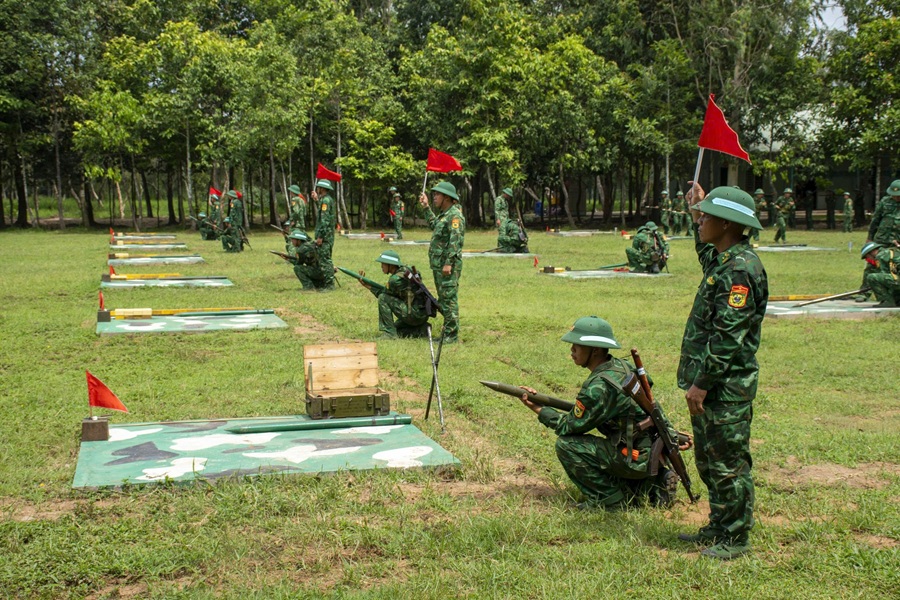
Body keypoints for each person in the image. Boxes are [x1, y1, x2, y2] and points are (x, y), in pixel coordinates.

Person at [677, 184, 768, 560]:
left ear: (727, 224)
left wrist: (702, 383)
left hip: (725, 386)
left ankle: (736, 535)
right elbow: (704, 252)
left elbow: (728, 336)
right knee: (709, 459)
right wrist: (693, 208)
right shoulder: (724, 259)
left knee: (728, 461)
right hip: (713, 384)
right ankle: (719, 524)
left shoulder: (740, 270)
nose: (700, 220)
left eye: (707, 215)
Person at [517, 316, 686, 511]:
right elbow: (651, 403)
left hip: (635, 457)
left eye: (577, 345)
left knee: (567, 445)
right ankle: (653, 487)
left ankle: (610, 500)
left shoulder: (598, 387)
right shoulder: (624, 366)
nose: (572, 350)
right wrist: (673, 434)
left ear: (595, 350)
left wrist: (538, 409)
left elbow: (568, 426)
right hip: (654, 450)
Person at [418, 181, 465, 344]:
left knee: (449, 298)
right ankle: (448, 331)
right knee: (443, 298)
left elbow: (455, 240)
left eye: (437, 194)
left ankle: (452, 335)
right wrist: (426, 207)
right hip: (439, 264)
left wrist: (448, 263)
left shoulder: (455, 216)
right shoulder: (444, 215)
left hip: (447, 265)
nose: (434, 197)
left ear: (447, 197)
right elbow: (434, 225)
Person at [358, 250, 430, 339]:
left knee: (382, 298)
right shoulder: (406, 271)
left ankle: (389, 334)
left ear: (391, 265)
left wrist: (366, 285)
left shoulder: (395, 280)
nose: (381, 266)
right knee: (397, 329)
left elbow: (383, 294)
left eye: (383, 264)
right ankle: (422, 329)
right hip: (422, 314)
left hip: (413, 314)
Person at [310, 179, 337, 289]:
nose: (317, 189)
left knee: (325, 260)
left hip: (325, 236)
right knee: (324, 259)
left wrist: (320, 236)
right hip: (328, 235)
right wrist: (316, 200)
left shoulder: (326, 200)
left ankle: (330, 285)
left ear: (322, 188)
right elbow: (323, 212)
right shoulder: (326, 199)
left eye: (319, 187)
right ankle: (325, 283)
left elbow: (325, 220)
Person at [866, 179, 900, 246]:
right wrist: (870, 237)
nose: (896, 197)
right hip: (882, 239)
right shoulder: (885, 201)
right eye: (894, 195)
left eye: (898, 195)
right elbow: (875, 220)